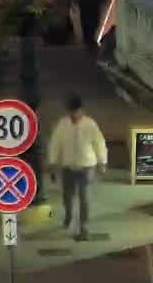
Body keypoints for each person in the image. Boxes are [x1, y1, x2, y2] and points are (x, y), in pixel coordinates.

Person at [48, 94, 107, 240]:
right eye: (71, 112)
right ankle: (68, 215)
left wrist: (102, 162)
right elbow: (55, 143)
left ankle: (84, 227)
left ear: (82, 110)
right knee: (67, 196)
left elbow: (99, 143)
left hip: (86, 166)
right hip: (68, 166)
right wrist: (52, 162)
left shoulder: (90, 124)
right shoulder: (63, 124)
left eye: (76, 111)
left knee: (84, 197)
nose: (74, 115)